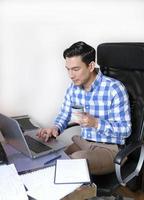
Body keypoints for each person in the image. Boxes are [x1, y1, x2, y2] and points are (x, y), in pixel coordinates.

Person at [37, 41, 131, 175]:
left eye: (75, 69)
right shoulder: (73, 88)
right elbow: (65, 114)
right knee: (51, 160)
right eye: (68, 69)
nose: (71, 75)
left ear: (91, 66)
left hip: (110, 149)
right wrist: (55, 128)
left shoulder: (114, 89)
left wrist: (96, 123)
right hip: (83, 143)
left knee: (73, 163)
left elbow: (125, 130)